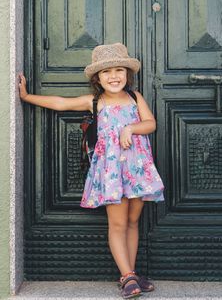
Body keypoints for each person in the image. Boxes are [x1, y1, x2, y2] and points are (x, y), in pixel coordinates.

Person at [19, 42, 164, 299]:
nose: (114, 76)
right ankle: (127, 276)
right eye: (106, 72)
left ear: (127, 74)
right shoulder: (94, 102)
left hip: (137, 169)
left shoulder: (135, 98)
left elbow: (150, 123)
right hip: (112, 173)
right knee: (118, 223)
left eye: (119, 70)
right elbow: (61, 103)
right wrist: (27, 97)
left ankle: (130, 271)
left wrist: (130, 129)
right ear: (97, 78)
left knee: (133, 221)